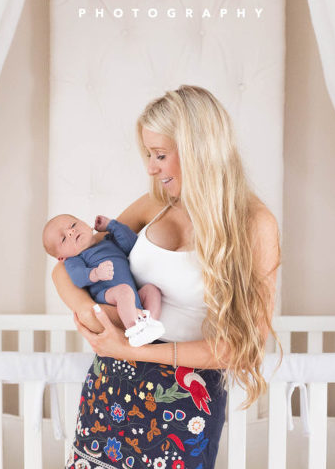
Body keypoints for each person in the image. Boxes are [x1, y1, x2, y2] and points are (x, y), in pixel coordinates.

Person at [54, 85, 280, 469]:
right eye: (148, 155)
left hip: (185, 400)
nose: (151, 168)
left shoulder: (254, 224)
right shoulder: (154, 205)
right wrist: (95, 316)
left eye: (160, 155)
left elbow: (242, 346)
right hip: (112, 383)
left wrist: (133, 350)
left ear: (199, 150)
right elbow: (64, 267)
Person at [43, 213, 166, 347]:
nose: (71, 232)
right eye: (63, 239)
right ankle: (136, 330)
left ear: (86, 224)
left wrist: (111, 225)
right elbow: (78, 277)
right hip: (105, 295)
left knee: (151, 290)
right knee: (124, 291)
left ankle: (150, 324)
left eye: (73, 225)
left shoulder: (109, 242)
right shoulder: (74, 260)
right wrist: (95, 273)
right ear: (61, 257)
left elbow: (131, 243)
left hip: (132, 296)